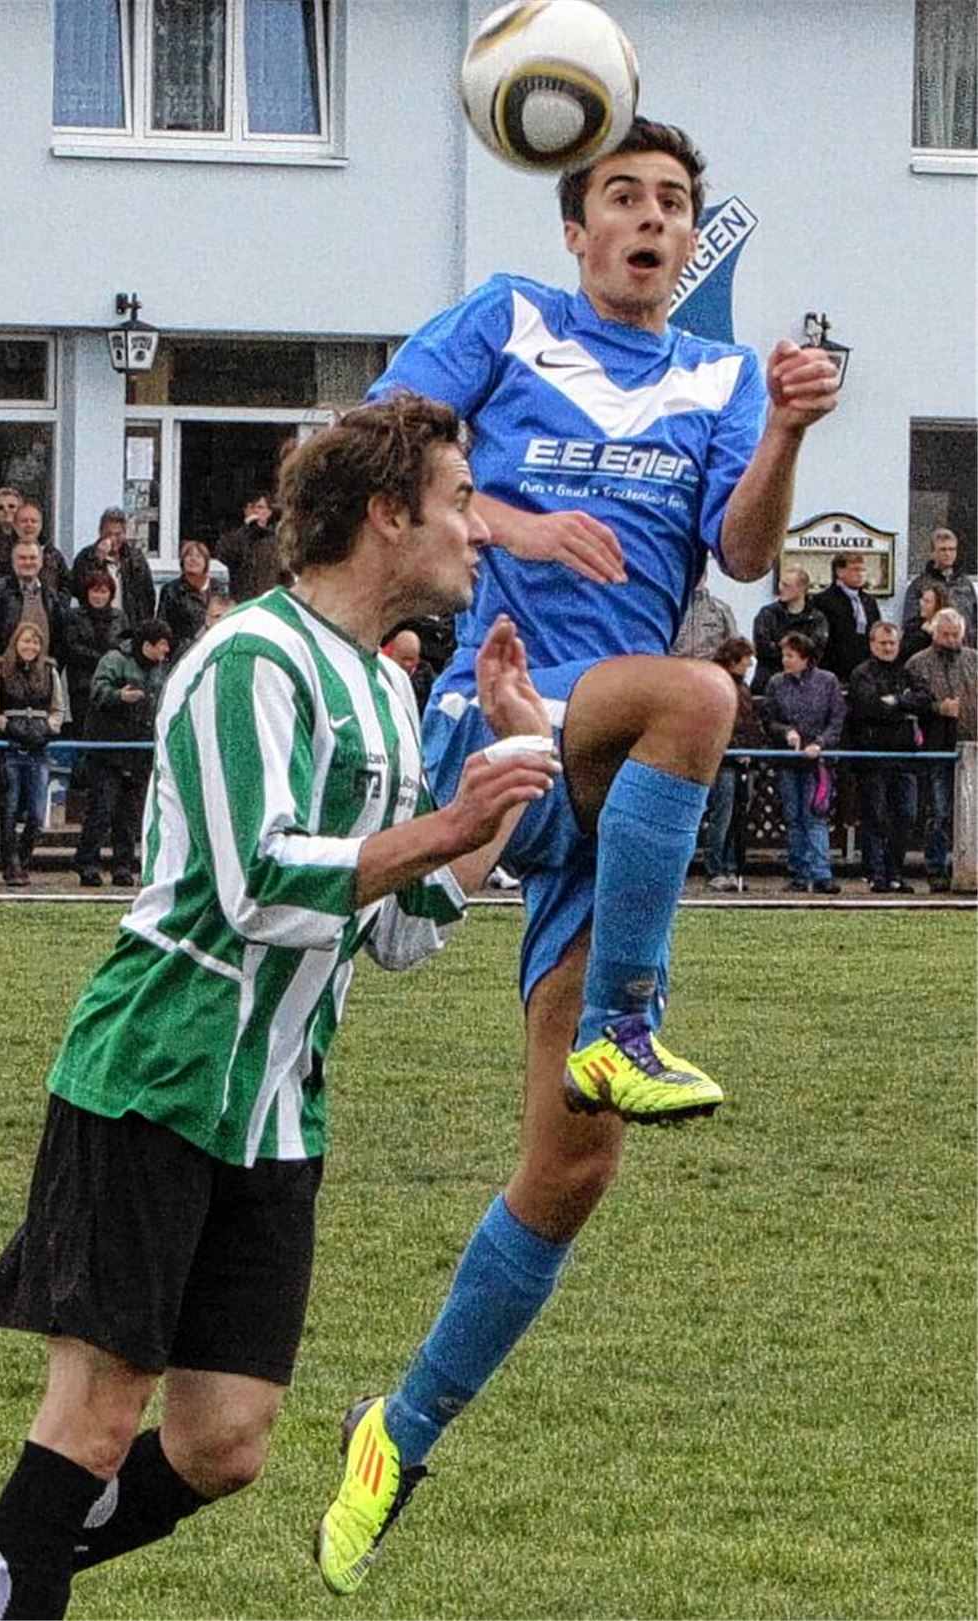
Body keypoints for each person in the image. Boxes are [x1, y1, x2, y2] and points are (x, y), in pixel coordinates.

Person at [0, 395, 558, 1621]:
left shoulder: (386, 698)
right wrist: (447, 824)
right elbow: (252, 885)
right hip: (159, 1069)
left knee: (224, 1444)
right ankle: (6, 1589)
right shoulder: (248, 660)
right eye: (460, 503)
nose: (481, 531)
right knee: (96, 1417)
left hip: (278, 1109)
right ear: (383, 514)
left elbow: (398, 934)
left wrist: (494, 809)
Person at [315, 116, 840, 1595]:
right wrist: (523, 527)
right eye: (625, 198)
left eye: (676, 203)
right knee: (699, 691)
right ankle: (626, 1019)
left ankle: (396, 1432)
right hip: (493, 718)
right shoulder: (506, 316)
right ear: (577, 228)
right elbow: (374, 449)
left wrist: (791, 429)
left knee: (572, 1167)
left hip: (599, 783)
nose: (654, 221)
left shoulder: (724, 378)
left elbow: (740, 554)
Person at [70, 618, 173, 888]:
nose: (166, 651)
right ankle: (87, 863)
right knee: (101, 809)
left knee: (129, 814)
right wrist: (119, 696)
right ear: (148, 644)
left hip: (139, 751)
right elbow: (98, 692)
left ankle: (123, 866)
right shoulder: (114, 660)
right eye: (162, 645)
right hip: (109, 749)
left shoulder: (161, 670)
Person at [762, 632, 846, 893]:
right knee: (793, 817)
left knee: (814, 816)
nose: (785, 660)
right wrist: (786, 732)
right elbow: (769, 719)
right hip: (789, 760)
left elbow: (836, 719)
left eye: (790, 655)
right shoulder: (776, 683)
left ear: (805, 658)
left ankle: (821, 873)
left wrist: (819, 743)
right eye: (784, 655)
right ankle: (799, 872)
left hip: (818, 762)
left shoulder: (827, 682)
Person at [902, 607, 978, 892]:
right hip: (938, 747)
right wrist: (937, 708)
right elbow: (909, 704)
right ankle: (936, 867)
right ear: (935, 634)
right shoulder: (917, 664)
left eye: (956, 635)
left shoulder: (974, 661)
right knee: (940, 810)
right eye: (946, 635)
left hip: (973, 746)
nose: (951, 640)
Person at [0, 622, 64, 886]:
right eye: (25, 641)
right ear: (15, 644)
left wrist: (47, 728)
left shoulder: (50, 672)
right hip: (11, 747)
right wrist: (8, 726)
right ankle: (10, 863)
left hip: (39, 747)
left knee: (36, 813)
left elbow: (58, 710)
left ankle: (24, 856)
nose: (30, 647)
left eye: (35, 642)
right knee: (9, 809)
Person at [845, 622, 919, 892]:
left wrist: (896, 702)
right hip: (873, 753)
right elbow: (868, 706)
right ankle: (876, 874)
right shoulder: (861, 674)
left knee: (907, 815)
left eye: (892, 643)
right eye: (883, 643)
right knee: (875, 816)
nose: (888, 648)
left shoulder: (906, 672)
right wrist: (902, 704)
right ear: (872, 644)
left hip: (904, 755)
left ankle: (895, 872)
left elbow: (923, 699)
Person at [702, 636, 764, 891]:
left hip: (740, 758)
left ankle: (730, 866)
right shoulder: (719, 686)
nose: (749, 664)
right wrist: (737, 748)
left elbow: (747, 723)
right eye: (746, 659)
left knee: (735, 816)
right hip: (723, 760)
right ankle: (717, 868)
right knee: (723, 815)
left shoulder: (741, 687)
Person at [0, 538, 68, 676]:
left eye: (32, 558)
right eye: (22, 558)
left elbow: (60, 637)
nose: (28, 562)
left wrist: (52, 667)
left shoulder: (50, 596)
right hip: (1, 677)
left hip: (39, 680)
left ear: (40, 563)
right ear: (13, 561)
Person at [64, 570, 126, 740]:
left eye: (103, 591)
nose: (99, 596)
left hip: (112, 684)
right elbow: (73, 647)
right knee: (84, 732)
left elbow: (125, 647)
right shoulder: (73, 616)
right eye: (95, 591)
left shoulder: (119, 617)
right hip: (83, 684)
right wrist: (103, 660)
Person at [70, 506, 155, 628]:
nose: (113, 539)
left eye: (118, 534)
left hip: (130, 626)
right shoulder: (86, 557)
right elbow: (78, 589)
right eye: (108, 534)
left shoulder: (136, 559)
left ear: (125, 533)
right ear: (100, 533)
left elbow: (148, 596)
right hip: (96, 627)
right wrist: (97, 560)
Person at [751, 565, 829, 694]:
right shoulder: (767, 614)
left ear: (802, 588)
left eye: (786, 585)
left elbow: (815, 650)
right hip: (768, 683)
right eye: (781, 584)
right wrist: (795, 651)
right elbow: (762, 647)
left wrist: (782, 647)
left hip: (803, 685)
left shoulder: (816, 619)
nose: (781, 588)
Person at [901, 526, 977, 646]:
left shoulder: (965, 584)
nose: (948, 554)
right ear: (932, 552)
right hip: (932, 652)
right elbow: (909, 625)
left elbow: (974, 620)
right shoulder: (920, 585)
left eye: (952, 549)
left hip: (964, 652)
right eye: (943, 549)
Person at [812, 552, 880, 686]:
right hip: (835, 667)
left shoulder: (868, 601)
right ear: (840, 571)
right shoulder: (823, 601)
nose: (860, 574)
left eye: (863, 570)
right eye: (855, 569)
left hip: (864, 667)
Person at [156, 538, 227, 656]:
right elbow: (163, 627)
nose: (193, 559)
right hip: (183, 653)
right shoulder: (171, 590)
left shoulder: (218, 588)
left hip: (213, 649)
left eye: (198, 556)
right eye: (188, 556)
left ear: (206, 562)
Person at [215, 491, 286, 602]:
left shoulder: (276, 541)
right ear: (245, 511)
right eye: (252, 507)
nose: (256, 511)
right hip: (241, 601)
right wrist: (246, 531)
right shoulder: (233, 537)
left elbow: (285, 575)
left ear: (269, 512)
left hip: (267, 603)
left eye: (260, 507)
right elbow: (224, 555)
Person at [8, 501, 71, 604]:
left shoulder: (54, 555)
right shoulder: (3, 553)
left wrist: (57, 607)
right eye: (24, 521)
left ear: (41, 525)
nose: (29, 525)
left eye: (34, 521)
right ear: (15, 525)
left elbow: (66, 585)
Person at [669, 565, 737, 659]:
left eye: (699, 573)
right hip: (676, 669)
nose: (696, 578)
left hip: (709, 669)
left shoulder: (721, 610)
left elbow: (735, 649)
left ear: (705, 576)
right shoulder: (671, 607)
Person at [898, 580, 950, 665]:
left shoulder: (949, 628)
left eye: (927, 601)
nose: (921, 604)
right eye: (922, 599)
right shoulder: (913, 626)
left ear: (939, 604)